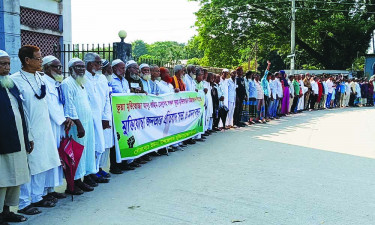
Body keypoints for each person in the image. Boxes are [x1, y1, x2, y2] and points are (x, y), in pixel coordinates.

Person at [11, 45, 61, 214]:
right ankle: (24, 202)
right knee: (30, 166)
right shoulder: (15, 80)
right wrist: (28, 134)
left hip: (44, 127)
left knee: (43, 163)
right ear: (27, 60)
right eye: (38, 58)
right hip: (29, 129)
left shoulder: (40, 77)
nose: (41, 61)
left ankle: (37, 197)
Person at [0, 50, 31, 223]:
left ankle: (8, 210)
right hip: (3, 141)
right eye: (2, 64)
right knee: (2, 179)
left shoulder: (11, 84)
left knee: (15, 176)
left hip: (17, 137)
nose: (6, 68)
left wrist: (27, 138)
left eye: (8, 64)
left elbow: (21, 111)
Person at [61, 58, 96, 194]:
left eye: (82, 66)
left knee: (85, 153)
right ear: (71, 69)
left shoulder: (82, 82)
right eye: (78, 67)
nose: (82, 69)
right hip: (76, 126)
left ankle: (79, 181)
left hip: (87, 123)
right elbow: (69, 107)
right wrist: (79, 125)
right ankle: (71, 185)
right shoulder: (67, 83)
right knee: (75, 154)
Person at [41, 56, 71, 202]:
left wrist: (66, 117)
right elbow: (50, 106)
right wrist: (62, 119)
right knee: (50, 157)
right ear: (46, 68)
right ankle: (44, 191)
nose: (59, 69)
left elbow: (61, 103)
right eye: (55, 67)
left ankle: (51, 189)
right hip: (51, 124)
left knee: (57, 157)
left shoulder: (56, 83)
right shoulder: (43, 82)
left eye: (60, 67)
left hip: (59, 124)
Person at [83, 53, 111, 184]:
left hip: (100, 117)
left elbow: (106, 99)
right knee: (90, 146)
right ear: (89, 64)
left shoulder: (102, 79)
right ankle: (89, 173)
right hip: (88, 119)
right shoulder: (82, 78)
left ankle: (95, 170)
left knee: (100, 145)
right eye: (98, 63)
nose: (100, 66)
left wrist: (105, 117)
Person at [109, 59, 132, 173]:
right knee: (115, 139)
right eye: (122, 68)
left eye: (124, 68)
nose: (124, 70)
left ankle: (124, 162)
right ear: (114, 68)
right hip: (114, 114)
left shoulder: (125, 81)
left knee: (125, 137)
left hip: (124, 114)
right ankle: (114, 166)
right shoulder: (110, 80)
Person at [99, 59, 114, 177]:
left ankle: (101, 168)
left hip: (108, 116)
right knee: (100, 144)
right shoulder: (99, 79)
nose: (111, 70)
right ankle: (96, 170)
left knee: (107, 143)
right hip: (100, 118)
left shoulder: (105, 80)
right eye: (110, 68)